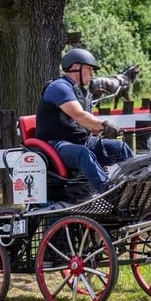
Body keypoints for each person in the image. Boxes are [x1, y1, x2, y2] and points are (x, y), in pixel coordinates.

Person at [35, 47, 133, 194]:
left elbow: (87, 124)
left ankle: (139, 184)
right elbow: (79, 116)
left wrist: (101, 130)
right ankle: (110, 193)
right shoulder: (59, 87)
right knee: (83, 152)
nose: (92, 73)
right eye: (89, 68)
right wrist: (105, 125)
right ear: (75, 67)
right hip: (58, 145)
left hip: (82, 141)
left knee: (120, 148)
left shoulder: (81, 92)